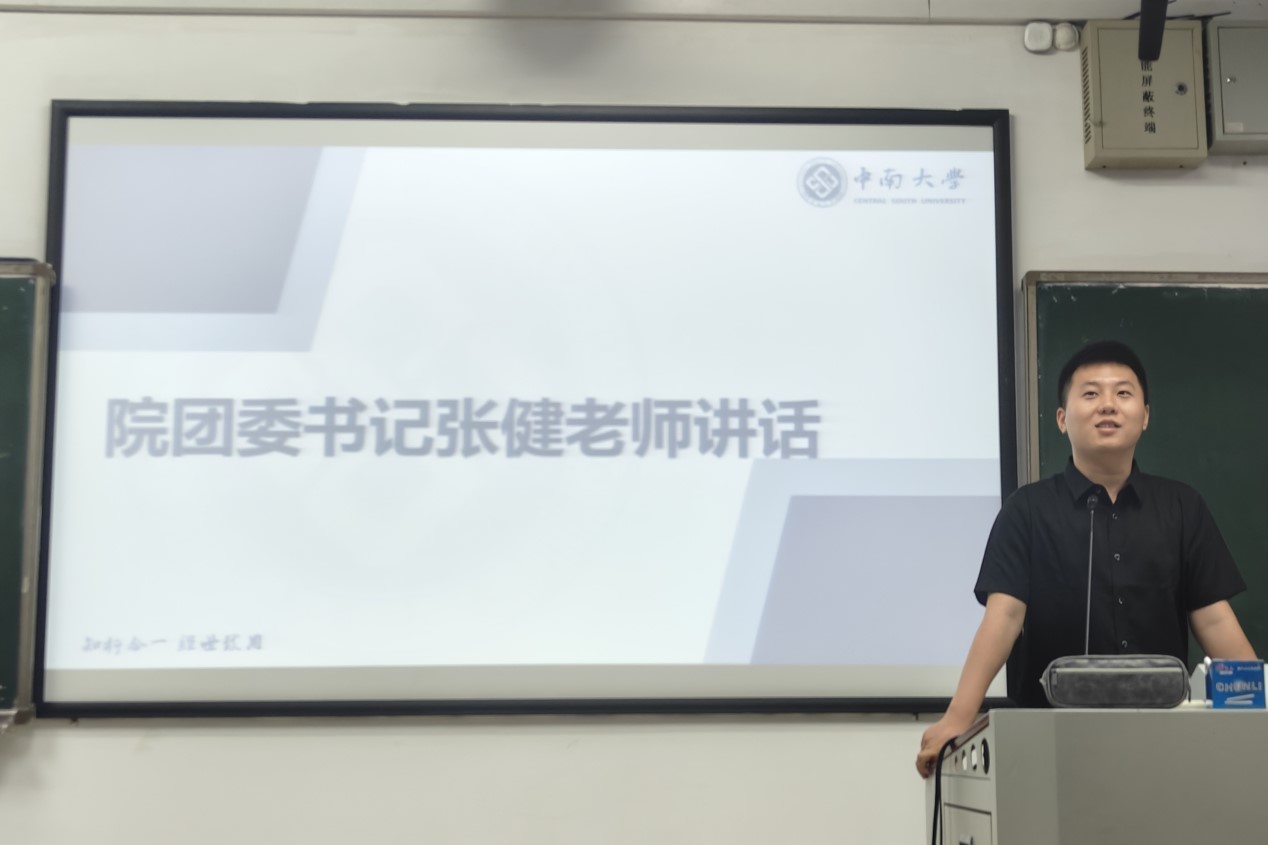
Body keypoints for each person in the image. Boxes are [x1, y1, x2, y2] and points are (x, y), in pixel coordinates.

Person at [915, 340, 1256, 778]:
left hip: (1163, 740)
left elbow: (1214, 620)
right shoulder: (1027, 510)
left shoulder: (1182, 507)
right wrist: (958, 716)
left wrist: (1257, 706)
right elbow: (1004, 618)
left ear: (1145, 416)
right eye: (1091, 393)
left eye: (1123, 393)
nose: (1108, 405)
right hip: (1048, 744)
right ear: (1062, 419)